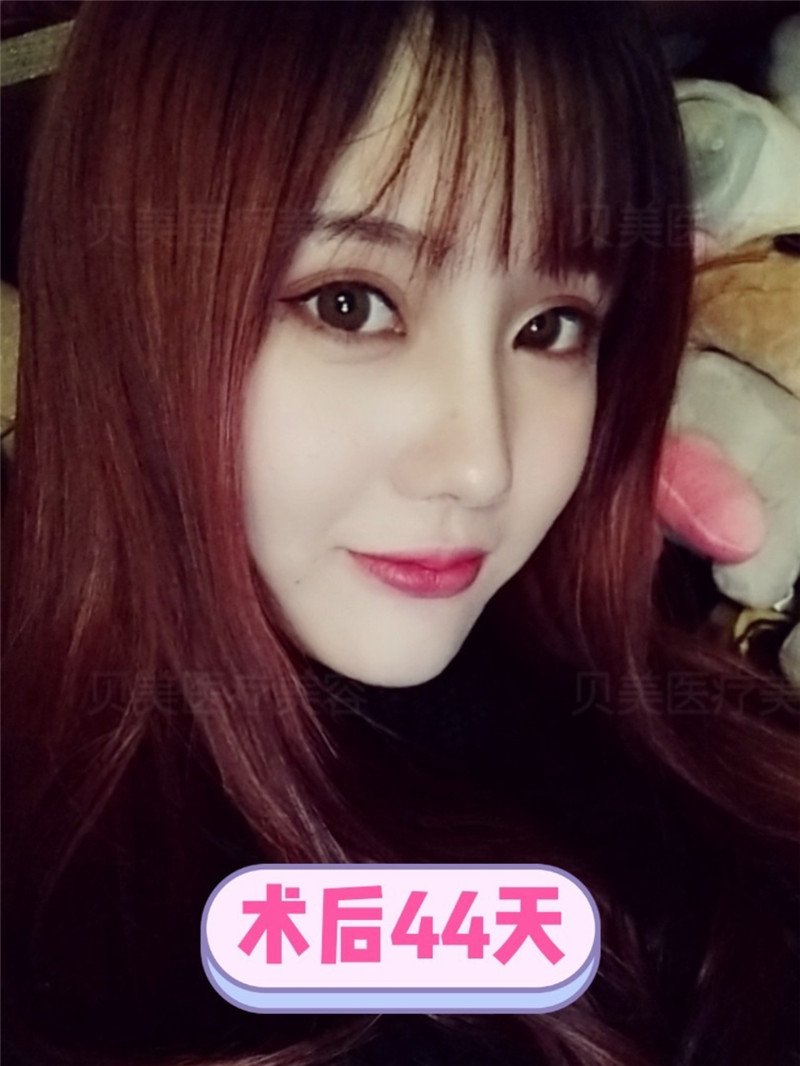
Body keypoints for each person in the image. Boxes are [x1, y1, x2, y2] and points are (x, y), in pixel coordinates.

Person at [2, 2, 797, 1064]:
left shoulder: (680, 726)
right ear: (127, 313)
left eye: (551, 325)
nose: (481, 465)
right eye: (349, 304)